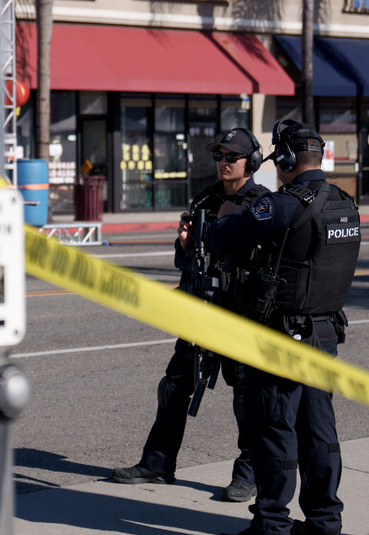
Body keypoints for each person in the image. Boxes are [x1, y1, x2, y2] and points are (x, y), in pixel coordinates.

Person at [206, 119, 361, 535]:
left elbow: (224, 237)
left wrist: (224, 219)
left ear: (289, 160)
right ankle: (325, 523)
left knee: (273, 428)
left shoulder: (283, 205)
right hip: (326, 332)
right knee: (319, 430)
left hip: (282, 337)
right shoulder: (345, 204)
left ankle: (271, 527)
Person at [111, 128, 268, 502]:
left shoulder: (262, 204)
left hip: (238, 316)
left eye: (231, 156)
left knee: (246, 396)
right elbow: (186, 261)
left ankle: (249, 472)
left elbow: (266, 262)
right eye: (219, 156)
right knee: (174, 385)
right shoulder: (205, 200)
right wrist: (184, 243)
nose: (223, 163)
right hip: (201, 311)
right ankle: (158, 463)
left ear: (252, 163)